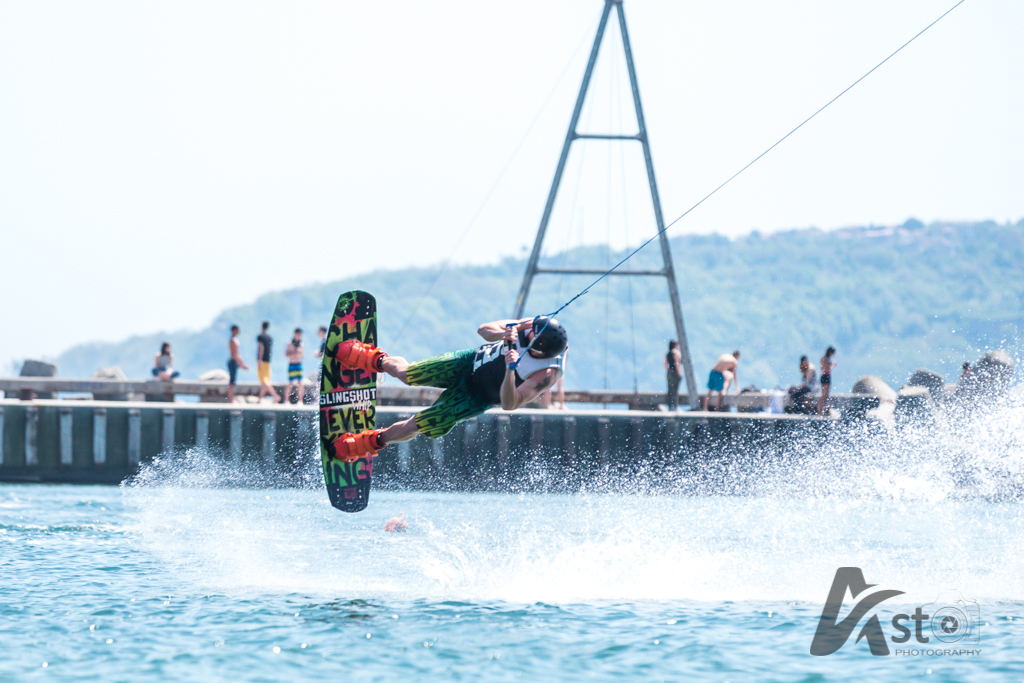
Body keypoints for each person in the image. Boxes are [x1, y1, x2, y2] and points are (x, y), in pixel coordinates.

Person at [326, 315, 569, 460]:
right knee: (408, 374)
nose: (526, 334)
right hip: (468, 362)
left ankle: (370, 441)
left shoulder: (546, 374)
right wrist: (506, 333)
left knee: (419, 424)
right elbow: (484, 329)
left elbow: (510, 404)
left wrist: (510, 370)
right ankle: (374, 360)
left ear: (539, 350)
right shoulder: (534, 326)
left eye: (529, 338)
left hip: (476, 397)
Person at [256, 321, 280, 403]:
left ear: (261, 326)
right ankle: (259, 399)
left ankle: (275, 396)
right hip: (268, 361)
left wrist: (260, 359)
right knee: (265, 380)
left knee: (264, 381)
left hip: (262, 361)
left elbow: (261, 348)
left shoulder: (260, 337)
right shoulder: (269, 337)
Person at [226, 325, 249, 402]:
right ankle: (230, 399)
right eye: (238, 330)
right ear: (234, 330)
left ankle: (231, 398)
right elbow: (236, 354)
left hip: (234, 362)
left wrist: (240, 364)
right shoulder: (233, 340)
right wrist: (242, 364)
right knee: (232, 382)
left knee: (232, 381)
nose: (239, 331)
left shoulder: (233, 340)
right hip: (233, 362)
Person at [285, 328, 304, 404]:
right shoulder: (290, 343)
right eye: (298, 334)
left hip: (298, 364)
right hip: (292, 365)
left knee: (300, 383)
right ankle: (287, 400)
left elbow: (303, 355)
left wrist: (300, 354)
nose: (299, 336)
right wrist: (295, 354)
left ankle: (300, 400)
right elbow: (286, 355)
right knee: (290, 383)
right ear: (295, 334)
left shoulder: (301, 344)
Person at [817, 346, 837, 416]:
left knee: (824, 395)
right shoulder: (826, 359)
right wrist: (833, 365)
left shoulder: (822, 358)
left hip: (823, 376)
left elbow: (822, 368)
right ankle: (821, 411)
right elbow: (827, 369)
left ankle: (821, 411)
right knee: (825, 395)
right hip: (826, 376)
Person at [665, 340, 682, 411]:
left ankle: (669, 406)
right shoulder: (676, 353)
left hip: (669, 372)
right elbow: (677, 363)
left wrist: (669, 370)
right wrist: (679, 373)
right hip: (675, 372)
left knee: (670, 390)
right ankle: (675, 406)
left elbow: (665, 364)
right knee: (675, 390)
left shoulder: (668, 353)